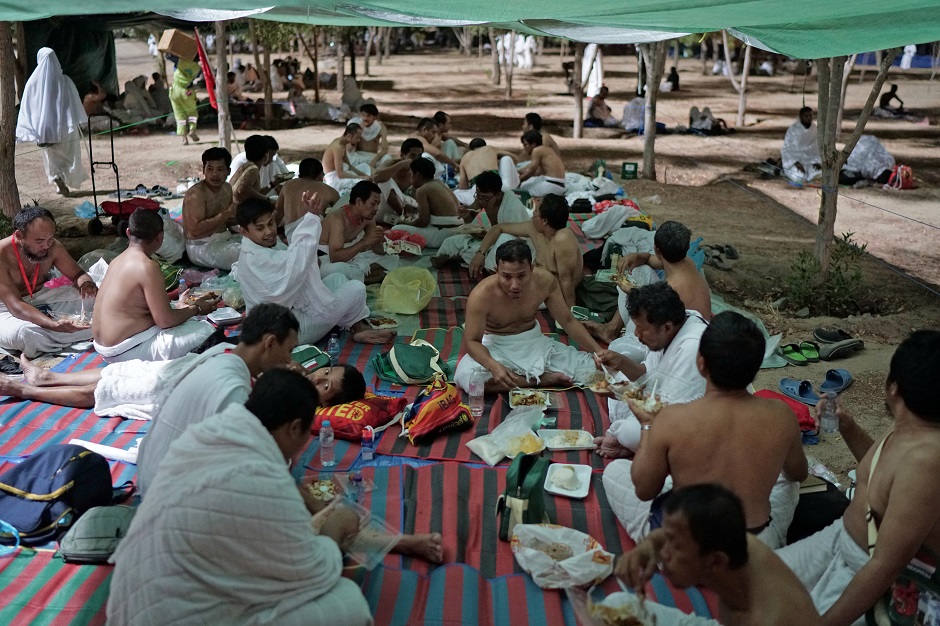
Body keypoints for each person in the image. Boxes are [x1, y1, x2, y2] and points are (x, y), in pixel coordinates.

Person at [107, 369, 375, 626]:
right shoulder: (265, 479)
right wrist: (335, 526)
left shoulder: (205, 434)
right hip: (172, 613)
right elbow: (314, 572)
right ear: (294, 429)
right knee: (348, 601)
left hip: (129, 600)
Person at [603, 312, 808, 549]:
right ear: (756, 369)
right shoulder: (782, 415)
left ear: (701, 363)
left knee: (615, 472)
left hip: (687, 551)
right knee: (788, 482)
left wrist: (649, 426)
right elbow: (799, 474)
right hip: (753, 547)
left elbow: (645, 490)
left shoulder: (672, 418)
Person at [776, 330, 940, 626]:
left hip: (863, 569)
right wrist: (847, 426)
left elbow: (884, 567)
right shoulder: (911, 428)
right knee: (756, 581)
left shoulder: (927, 462)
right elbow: (880, 474)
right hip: (839, 539)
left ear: (894, 388)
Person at [135, 303, 299, 495]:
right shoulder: (233, 391)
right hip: (168, 494)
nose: (289, 360)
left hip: (151, 471)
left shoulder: (224, 351)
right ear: (270, 343)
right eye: (289, 350)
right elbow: (250, 466)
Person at [615, 484, 821, 626]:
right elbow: (669, 535)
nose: (664, 553)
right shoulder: (736, 543)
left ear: (716, 560)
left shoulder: (771, 618)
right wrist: (648, 546)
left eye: (675, 547)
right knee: (617, 606)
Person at [236, 197, 394, 345]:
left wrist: (308, 260)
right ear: (244, 231)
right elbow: (300, 261)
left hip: (292, 313)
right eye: (260, 228)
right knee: (356, 288)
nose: (269, 231)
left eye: (270, 224)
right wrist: (311, 220)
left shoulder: (262, 245)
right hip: (285, 332)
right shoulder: (255, 257)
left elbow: (302, 262)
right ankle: (357, 327)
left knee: (338, 278)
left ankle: (358, 327)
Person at [454, 239, 601, 394]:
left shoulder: (545, 281)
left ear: (531, 268)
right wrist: (494, 366)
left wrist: (598, 351)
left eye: (521, 276)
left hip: (536, 344)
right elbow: (471, 342)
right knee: (469, 377)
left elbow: (568, 320)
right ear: (496, 270)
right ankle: (539, 379)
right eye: (506, 277)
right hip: (497, 348)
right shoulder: (481, 294)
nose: (515, 284)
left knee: (597, 370)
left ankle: (525, 378)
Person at [593, 282, 708, 455]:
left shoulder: (693, 347)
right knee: (617, 389)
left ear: (667, 327)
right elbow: (649, 375)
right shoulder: (672, 328)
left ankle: (635, 446)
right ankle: (634, 444)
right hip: (664, 401)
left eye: (642, 329)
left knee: (630, 432)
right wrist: (620, 362)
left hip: (692, 418)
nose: (636, 334)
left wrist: (626, 395)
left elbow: (671, 410)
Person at [91, 210, 217, 363]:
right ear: (160, 237)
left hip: (102, 346)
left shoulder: (116, 261)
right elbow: (165, 321)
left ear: (128, 232)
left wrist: (178, 307)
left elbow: (136, 309)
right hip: (123, 351)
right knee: (205, 331)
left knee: (182, 317)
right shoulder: (147, 266)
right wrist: (196, 308)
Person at [586, 220, 712, 344]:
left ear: (656, 250)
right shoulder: (686, 262)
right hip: (681, 324)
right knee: (639, 270)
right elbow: (647, 259)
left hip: (681, 343)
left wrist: (631, 291)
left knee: (617, 349)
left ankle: (624, 337)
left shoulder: (672, 288)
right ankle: (612, 329)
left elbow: (649, 311)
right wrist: (635, 256)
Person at [0, 207, 96, 357]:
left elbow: (78, 274)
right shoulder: (1, 254)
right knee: (25, 335)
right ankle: (91, 329)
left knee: (103, 298)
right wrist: (53, 325)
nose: (46, 246)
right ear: (20, 235)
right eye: (39, 241)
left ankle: (63, 335)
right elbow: (16, 306)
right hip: (6, 308)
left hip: (42, 297)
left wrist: (86, 284)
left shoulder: (53, 246)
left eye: (50, 239)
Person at [469, 194, 582, 306]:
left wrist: (570, 313)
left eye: (536, 211)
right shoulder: (534, 228)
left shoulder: (563, 238)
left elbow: (567, 281)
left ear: (544, 221)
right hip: (528, 282)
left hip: (550, 294)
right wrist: (480, 253)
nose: (533, 213)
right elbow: (498, 228)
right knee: (505, 237)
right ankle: (497, 280)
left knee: (490, 299)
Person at [15, 48, 88, 197]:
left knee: (51, 156)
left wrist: (32, 128)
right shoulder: (65, 80)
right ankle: (64, 178)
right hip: (66, 129)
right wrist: (79, 121)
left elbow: (27, 107)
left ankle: (56, 177)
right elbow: (75, 102)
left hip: (46, 130)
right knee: (69, 155)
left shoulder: (33, 83)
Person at [433, 170, 531, 271]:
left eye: (484, 198)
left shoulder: (512, 206)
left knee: (503, 241)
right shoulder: (483, 198)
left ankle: (457, 258)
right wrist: (465, 215)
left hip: (509, 243)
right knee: (451, 241)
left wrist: (486, 239)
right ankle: (460, 258)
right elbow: (470, 222)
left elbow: (517, 241)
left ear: (497, 195)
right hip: (490, 237)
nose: (480, 201)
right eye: (478, 196)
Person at [318, 180, 396, 283]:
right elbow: (335, 257)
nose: (376, 208)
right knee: (339, 269)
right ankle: (371, 277)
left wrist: (379, 241)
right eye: (373, 204)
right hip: (325, 259)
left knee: (393, 257)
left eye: (378, 204)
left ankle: (365, 277)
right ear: (359, 201)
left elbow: (378, 250)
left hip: (350, 256)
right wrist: (365, 242)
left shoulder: (368, 218)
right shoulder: (338, 219)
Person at [182, 147, 241, 270]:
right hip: (201, 246)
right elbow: (194, 231)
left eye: (220, 169)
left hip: (224, 238)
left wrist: (247, 217)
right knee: (249, 255)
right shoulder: (196, 193)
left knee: (264, 242)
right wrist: (226, 214)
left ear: (228, 171)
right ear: (203, 170)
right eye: (210, 169)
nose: (214, 174)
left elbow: (227, 221)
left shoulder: (227, 188)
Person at [387, 157, 463, 248]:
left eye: (411, 175)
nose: (410, 179)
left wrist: (404, 223)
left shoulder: (422, 190)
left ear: (418, 175)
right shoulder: (440, 183)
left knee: (396, 229)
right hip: (458, 231)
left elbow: (423, 222)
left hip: (444, 236)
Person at [278, 158, 340, 239]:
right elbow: (342, 214)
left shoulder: (288, 184)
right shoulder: (329, 190)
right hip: (314, 237)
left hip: (289, 235)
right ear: (320, 175)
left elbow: (278, 211)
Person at [369, 138, 424, 225]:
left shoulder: (420, 170)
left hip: (409, 209)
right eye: (413, 156)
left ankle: (405, 218)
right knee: (385, 180)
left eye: (419, 156)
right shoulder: (391, 163)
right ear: (402, 155)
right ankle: (404, 217)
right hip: (386, 207)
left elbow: (420, 198)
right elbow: (376, 177)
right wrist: (401, 165)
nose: (416, 159)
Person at [504, 130, 567, 197]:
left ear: (533, 144)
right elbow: (536, 171)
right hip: (560, 186)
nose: (524, 148)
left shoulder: (536, 151)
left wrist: (518, 181)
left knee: (521, 190)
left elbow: (531, 171)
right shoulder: (548, 149)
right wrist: (519, 172)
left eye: (526, 145)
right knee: (529, 182)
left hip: (551, 186)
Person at [229, 134, 277, 207]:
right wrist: (267, 199)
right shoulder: (253, 169)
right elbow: (242, 189)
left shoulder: (245, 166)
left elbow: (254, 193)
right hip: (238, 212)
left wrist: (272, 184)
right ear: (266, 155)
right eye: (271, 156)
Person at [322, 123, 370, 194]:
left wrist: (364, 175)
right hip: (334, 180)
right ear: (349, 136)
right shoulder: (338, 147)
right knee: (364, 183)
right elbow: (340, 174)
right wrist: (361, 178)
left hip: (340, 175)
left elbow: (349, 165)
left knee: (365, 167)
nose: (359, 140)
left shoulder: (342, 144)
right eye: (357, 137)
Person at [782, 107, 822, 184]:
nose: (809, 118)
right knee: (799, 179)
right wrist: (796, 162)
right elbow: (787, 149)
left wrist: (816, 161)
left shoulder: (814, 129)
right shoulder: (793, 130)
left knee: (820, 174)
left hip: (810, 161)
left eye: (810, 115)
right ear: (800, 116)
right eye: (806, 116)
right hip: (794, 162)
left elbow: (816, 147)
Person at [168, 54, 201, 145]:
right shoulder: (198, 68)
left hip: (175, 90)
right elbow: (196, 78)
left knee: (179, 115)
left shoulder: (180, 60)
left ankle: (184, 138)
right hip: (187, 92)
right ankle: (192, 130)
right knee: (192, 113)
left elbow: (168, 56)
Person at [347, 103, 390, 170]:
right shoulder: (354, 124)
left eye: (368, 116)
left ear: (375, 117)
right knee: (346, 157)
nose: (365, 118)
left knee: (388, 158)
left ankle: (377, 175)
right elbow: (348, 148)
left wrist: (374, 161)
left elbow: (385, 149)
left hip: (373, 157)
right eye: (363, 115)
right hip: (357, 157)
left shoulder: (380, 127)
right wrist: (358, 132)